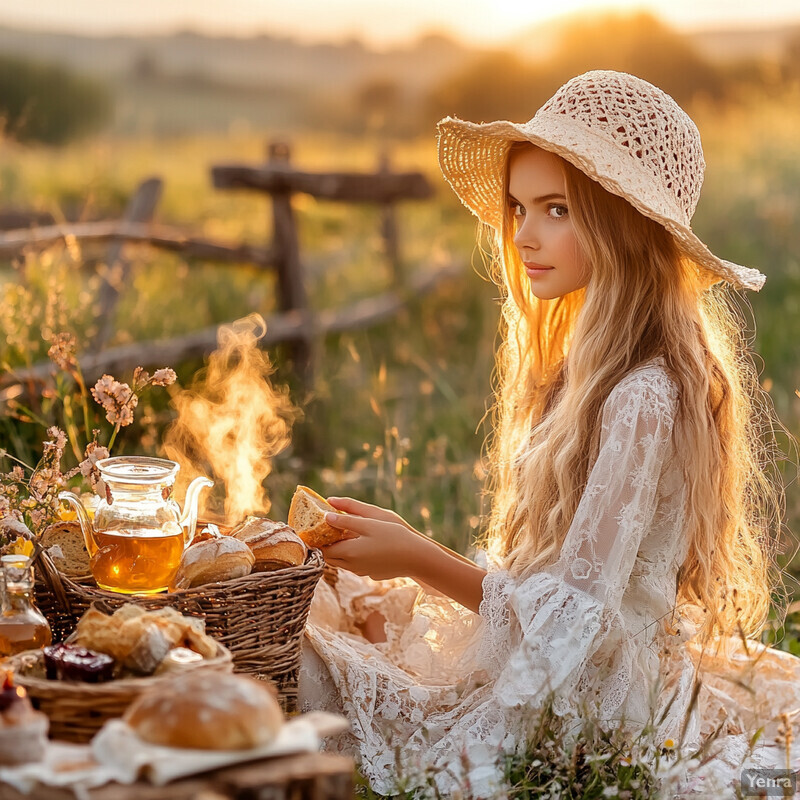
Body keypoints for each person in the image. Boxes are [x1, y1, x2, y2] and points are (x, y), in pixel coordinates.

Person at [298, 70, 800, 798]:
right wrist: (400, 539)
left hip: (594, 706)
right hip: (560, 666)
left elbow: (577, 625)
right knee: (323, 605)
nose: (524, 234)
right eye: (519, 207)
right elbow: (547, 585)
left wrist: (417, 556)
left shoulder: (644, 397)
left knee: (317, 677)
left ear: (624, 226)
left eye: (556, 209)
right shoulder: (590, 369)